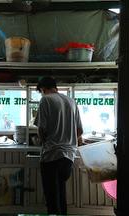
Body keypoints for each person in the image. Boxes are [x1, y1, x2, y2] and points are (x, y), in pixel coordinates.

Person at [33, 76, 83, 215]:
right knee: (61, 194)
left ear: (43, 89)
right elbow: (79, 131)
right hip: (68, 158)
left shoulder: (46, 99)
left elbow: (41, 129)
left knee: (51, 199)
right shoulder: (71, 102)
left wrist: (44, 141)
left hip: (51, 156)